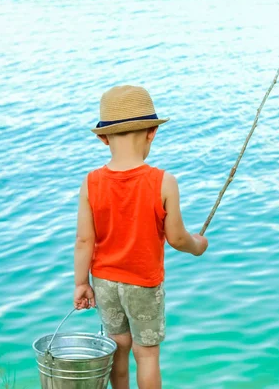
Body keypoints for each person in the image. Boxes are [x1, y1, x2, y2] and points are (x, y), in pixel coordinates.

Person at [72, 85, 209, 389]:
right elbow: (176, 238)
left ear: (102, 138)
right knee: (146, 355)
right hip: (144, 283)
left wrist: (82, 283)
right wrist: (198, 245)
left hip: (104, 281)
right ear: (152, 133)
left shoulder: (90, 182)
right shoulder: (164, 182)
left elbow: (84, 241)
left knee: (118, 350)